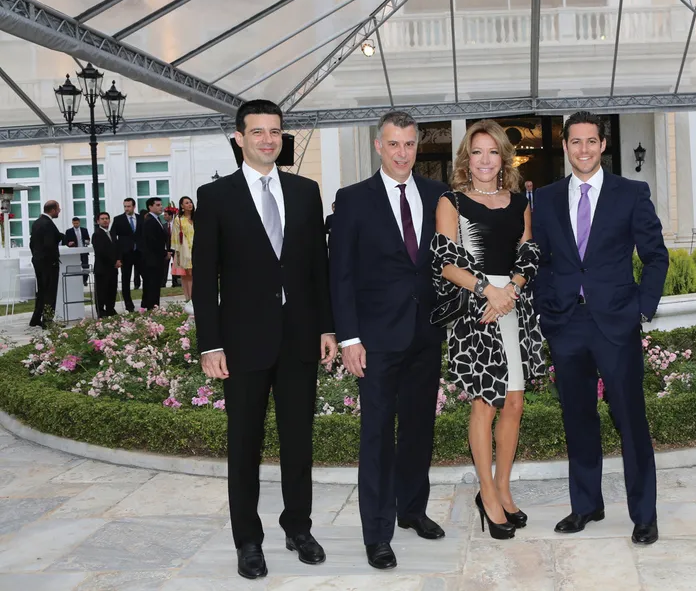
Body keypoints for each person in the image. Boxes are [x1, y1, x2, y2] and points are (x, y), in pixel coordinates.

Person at [193, 99, 335, 580]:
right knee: (244, 446)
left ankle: (298, 528)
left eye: (275, 131)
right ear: (239, 138)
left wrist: (327, 327)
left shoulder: (305, 191)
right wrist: (210, 344)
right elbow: (205, 278)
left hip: (299, 339)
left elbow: (318, 268)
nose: (268, 140)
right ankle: (248, 541)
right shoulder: (215, 197)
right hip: (242, 343)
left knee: (298, 443)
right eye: (258, 132)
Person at [532, 111, 668, 546]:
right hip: (566, 323)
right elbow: (540, 261)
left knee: (630, 419)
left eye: (591, 141)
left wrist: (642, 309)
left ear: (603, 145)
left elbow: (656, 255)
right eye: (576, 142)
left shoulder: (631, 193)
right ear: (565, 146)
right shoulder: (546, 199)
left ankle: (644, 515)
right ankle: (586, 504)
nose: (584, 149)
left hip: (616, 323)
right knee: (577, 419)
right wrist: (546, 308)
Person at [330, 110, 448, 570]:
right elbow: (340, 274)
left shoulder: (437, 194)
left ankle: (412, 510)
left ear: (418, 146)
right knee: (377, 435)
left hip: (426, 332)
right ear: (378, 146)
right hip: (376, 339)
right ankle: (377, 533)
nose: (402, 153)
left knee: (419, 427)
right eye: (394, 144)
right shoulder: (353, 200)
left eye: (410, 144)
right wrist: (349, 337)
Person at [432, 120, 545, 539]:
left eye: (492, 152)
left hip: (513, 307)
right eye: (477, 152)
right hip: (477, 310)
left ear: (504, 158)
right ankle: (486, 493)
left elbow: (528, 253)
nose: (484, 160)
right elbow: (445, 263)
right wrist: (488, 292)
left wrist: (510, 290)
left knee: (514, 402)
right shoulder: (451, 202)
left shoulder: (519, 202)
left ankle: (502, 488)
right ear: (467, 157)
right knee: (486, 403)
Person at [28, 200, 62, 328]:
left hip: (38, 261)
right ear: (52, 210)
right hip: (48, 262)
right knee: (50, 292)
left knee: (42, 290)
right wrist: (53, 259)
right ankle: (47, 320)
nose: (59, 211)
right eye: (58, 209)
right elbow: (49, 243)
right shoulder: (48, 223)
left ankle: (36, 318)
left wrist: (36, 256)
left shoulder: (37, 222)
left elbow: (32, 243)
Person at [109, 198, 140, 312]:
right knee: (126, 279)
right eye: (125, 206)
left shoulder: (140, 218)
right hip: (126, 254)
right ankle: (129, 305)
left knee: (146, 277)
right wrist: (118, 253)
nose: (127, 209)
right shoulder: (118, 219)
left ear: (134, 206)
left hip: (139, 253)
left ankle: (146, 302)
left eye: (129, 206)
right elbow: (113, 236)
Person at [140, 198, 167, 310]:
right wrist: (164, 253)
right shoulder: (150, 221)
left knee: (155, 284)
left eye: (161, 204)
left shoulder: (156, 219)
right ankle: (152, 307)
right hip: (152, 259)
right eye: (157, 205)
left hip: (156, 258)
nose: (161, 207)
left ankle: (153, 305)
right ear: (150, 207)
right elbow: (153, 241)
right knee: (153, 284)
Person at [91, 211, 120, 318]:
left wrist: (118, 259)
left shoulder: (112, 233)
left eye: (107, 218)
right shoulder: (96, 235)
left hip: (113, 268)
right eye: (102, 219)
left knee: (112, 290)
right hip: (102, 268)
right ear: (98, 221)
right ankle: (101, 312)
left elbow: (116, 248)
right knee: (101, 292)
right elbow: (101, 251)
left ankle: (110, 309)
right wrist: (113, 261)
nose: (105, 221)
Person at [171, 196, 196, 312]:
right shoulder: (179, 220)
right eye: (186, 203)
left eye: (190, 202)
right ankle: (190, 298)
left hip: (198, 249)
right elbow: (176, 238)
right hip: (185, 251)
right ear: (182, 206)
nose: (189, 204)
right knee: (188, 275)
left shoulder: (197, 218)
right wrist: (179, 254)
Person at [62, 217, 90, 286]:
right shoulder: (69, 231)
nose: (76, 225)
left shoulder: (84, 230)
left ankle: (84, 280)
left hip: (83, 251)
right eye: (74, 223)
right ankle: (75, 281)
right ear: (72, 223)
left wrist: (87, 241)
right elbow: (65, 241)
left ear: (79, 223)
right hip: (74, 252)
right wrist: (68, 243)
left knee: (85, 266)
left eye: (77, 223)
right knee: (74, 266)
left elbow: (88, 239)